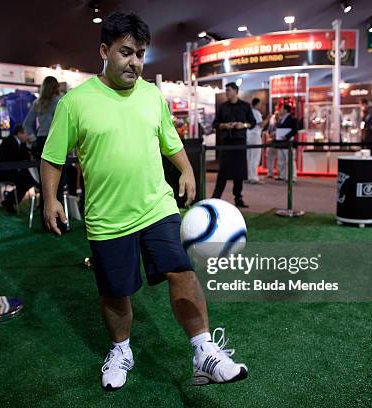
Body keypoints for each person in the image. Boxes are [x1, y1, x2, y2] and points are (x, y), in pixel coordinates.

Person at [40, 12, 248, 391]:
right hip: (107, 216)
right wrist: (51, 198)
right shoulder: (75, 102)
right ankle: (121, 350)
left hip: (157, 206)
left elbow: (170, 140)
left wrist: (186, 170)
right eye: (125, 52)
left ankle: (204, 352)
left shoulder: (152, 95)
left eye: (140, 54)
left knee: (181, 269)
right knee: (115, 291)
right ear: (104, 51)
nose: (134, 62)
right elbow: (53, 156)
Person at [23, 76, 66, 225]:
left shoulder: (37, 103)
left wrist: (34, 139)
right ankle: (59, 222)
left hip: (41, 142)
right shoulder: (60, 101)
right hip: (55, 141)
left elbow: (26, 125)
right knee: (58, 182)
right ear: (55, 87)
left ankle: (45, 220)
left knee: (45, 183)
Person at [211, 82, 256, 207]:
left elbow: (252, 123)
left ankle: (238, 199)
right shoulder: (222, 107)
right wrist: (225, 125)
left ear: (236, 91)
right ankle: (215, 198)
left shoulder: (245, 106)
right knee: (223, 172)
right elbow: (215, 124)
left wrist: (243, 125)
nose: (226, 93)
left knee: (239, 173)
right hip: (226, 142)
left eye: (229, 90)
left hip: (240, 142)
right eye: (226, 90)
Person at [0, 124, 36, 214]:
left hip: (11, 171)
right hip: (3, 172)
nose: (28, 136)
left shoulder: (20, 142)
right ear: (20, 133)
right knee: (26, 181)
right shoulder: (9, 141)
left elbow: (24, 156)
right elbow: (18, 157)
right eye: (26, 133)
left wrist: (28, 146)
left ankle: (9, 200)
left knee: (27, 180)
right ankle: (9, 200)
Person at [275, 104, 298, 182]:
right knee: (281, 160)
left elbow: (295, 130)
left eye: (281, 109)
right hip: (280, 142)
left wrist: (287, 136)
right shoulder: (281, 119)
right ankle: (282, 175)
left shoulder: (292, 118)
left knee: (290, 160)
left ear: (285, 110)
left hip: (288, 141)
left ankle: (292, 177)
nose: (280, 110)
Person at [247, 98, 264, 184]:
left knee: (249, 157)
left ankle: (249, 176)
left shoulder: (249, 112)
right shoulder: (256, 112)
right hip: (255, 136)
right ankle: (253, 177)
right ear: (257, 104)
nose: (261, 106)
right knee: (255, 157)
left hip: (248, 136)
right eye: (260, 104)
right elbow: (261, 124)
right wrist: (267, 119)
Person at [265, 111, 280, 178]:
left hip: (279, 143)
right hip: (271, 143)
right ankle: (270, 173)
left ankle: (279, 173)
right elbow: (268, 132)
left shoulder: (281, 123)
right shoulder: (272, 123)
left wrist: (274, 135)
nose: (276, 115)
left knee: (279, 159)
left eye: (277, 114)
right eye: (275, 114)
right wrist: (268, 138)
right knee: (269, 158)